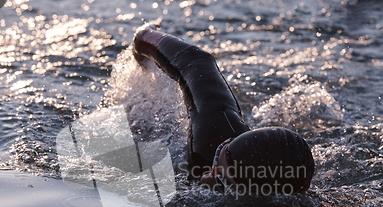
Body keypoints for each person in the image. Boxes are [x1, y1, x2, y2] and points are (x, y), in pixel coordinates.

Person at [132, 24, 314, 196]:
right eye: (218, 158)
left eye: (222, 181)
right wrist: (144, 37)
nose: (205, 177)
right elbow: (195, 61)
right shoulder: (213, 134)